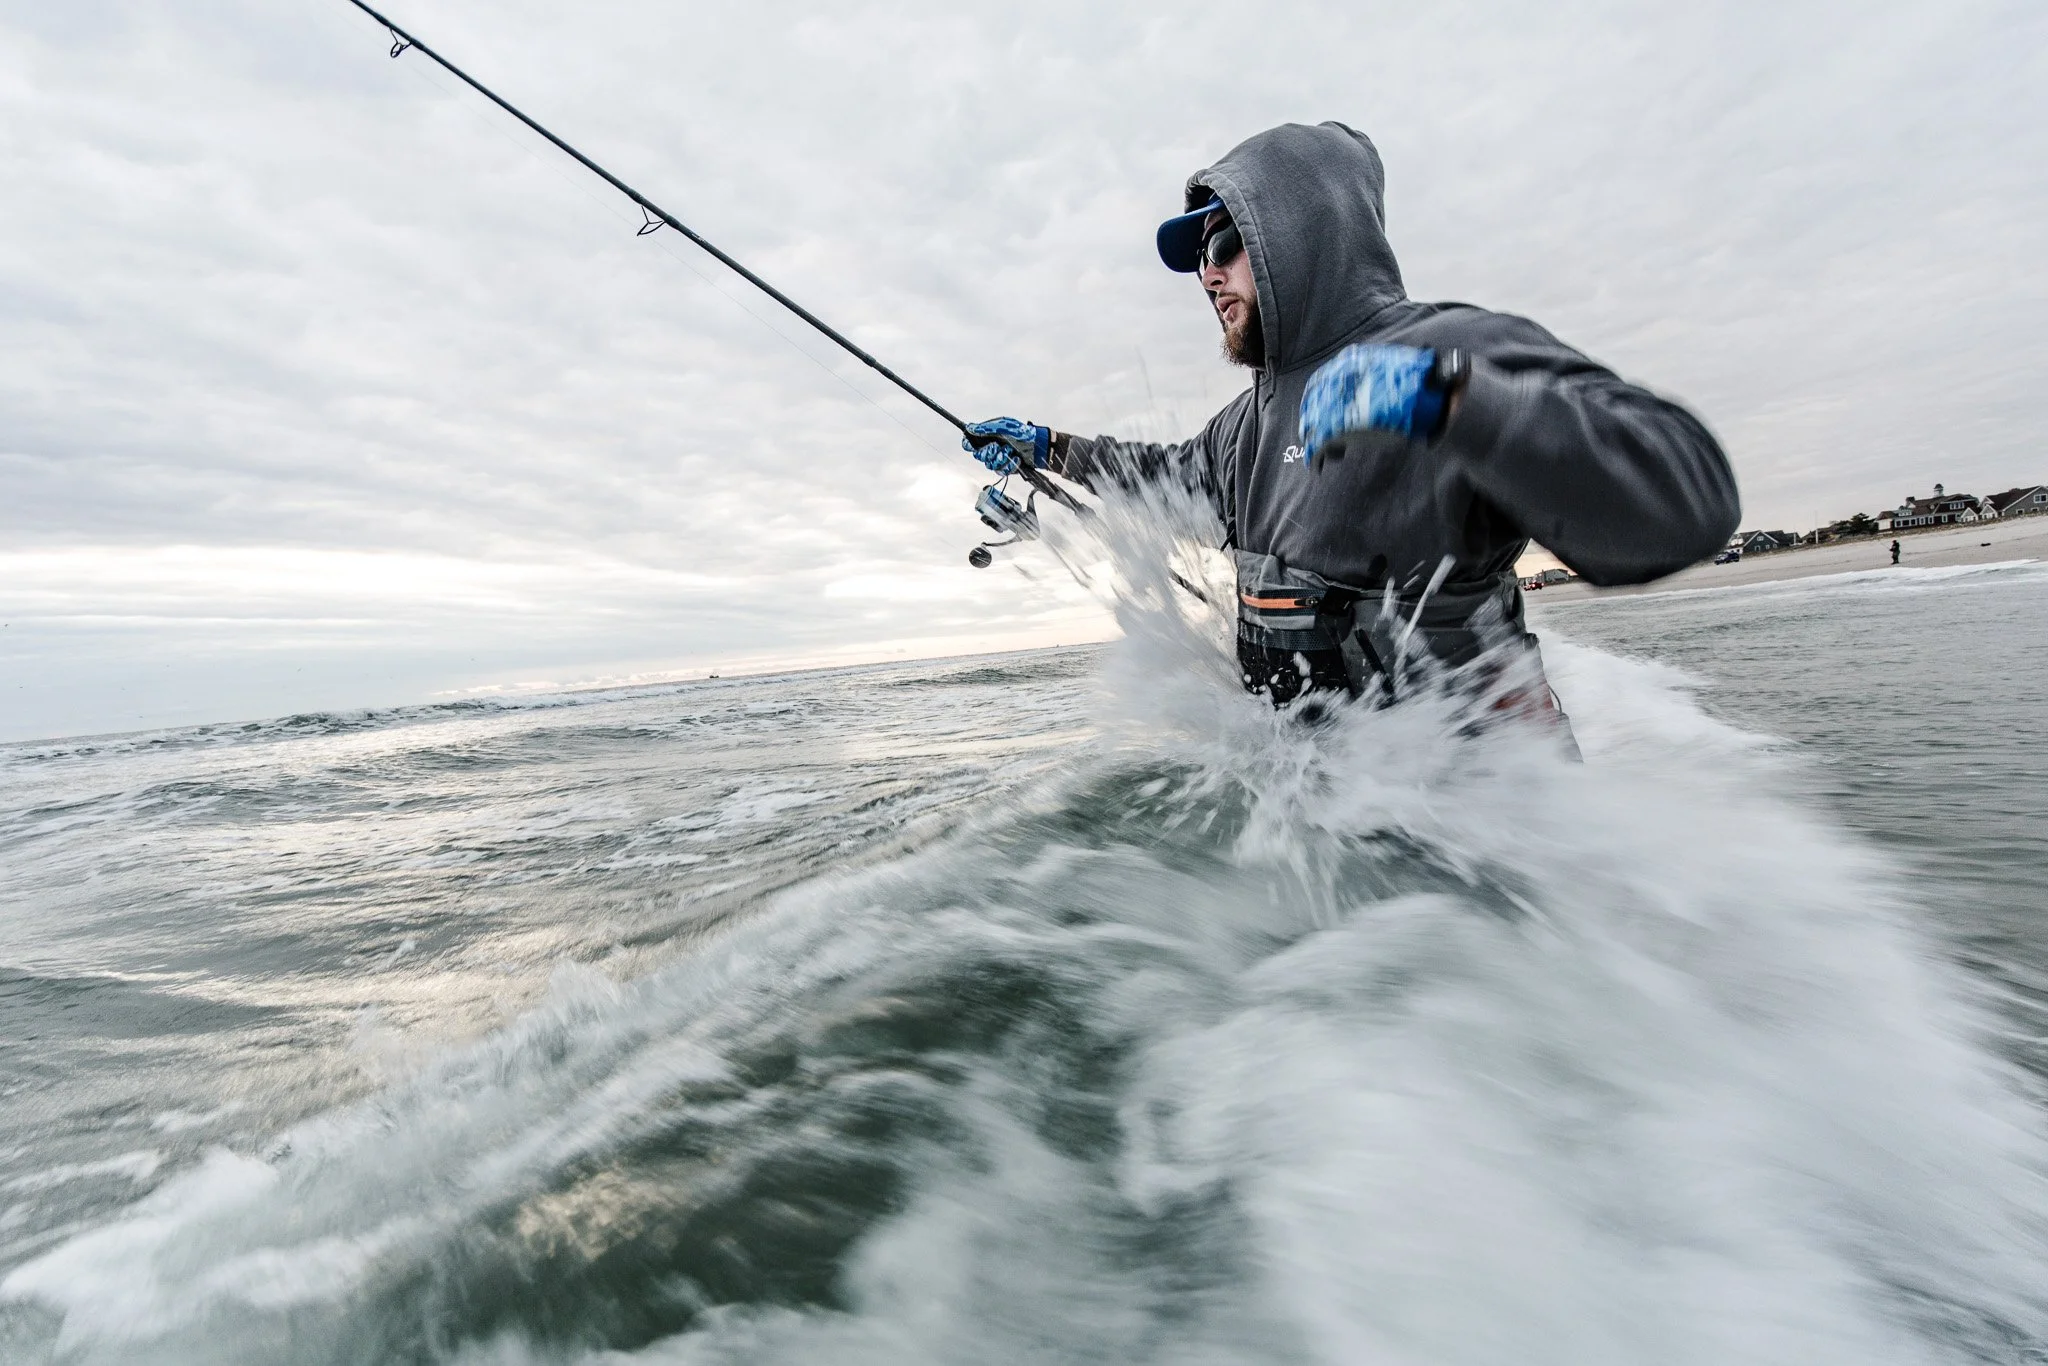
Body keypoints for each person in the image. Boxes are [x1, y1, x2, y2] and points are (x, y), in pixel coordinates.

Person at [963, 122, 1739, 710]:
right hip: (1317, 828)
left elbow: (1689, 503)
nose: (1207, 275)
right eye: (1198, 260)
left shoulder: (1450, 350)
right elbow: (1164, 479)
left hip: (1489, 833)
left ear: (1301, 233)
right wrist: (1049, 446)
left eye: (1224, 243)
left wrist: (1450, 402)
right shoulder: (1242, 429)